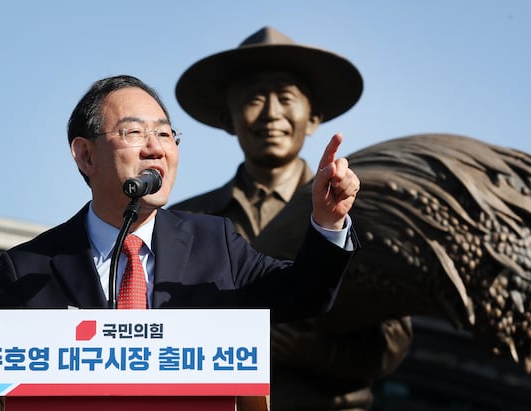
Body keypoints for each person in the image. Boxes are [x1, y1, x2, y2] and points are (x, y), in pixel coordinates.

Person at [0, 74, 360, 410]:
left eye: (164, 134)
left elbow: (305, 293)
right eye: (134, 133)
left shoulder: (215, 242)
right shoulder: (29, 268)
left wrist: (329, 221)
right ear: (86, 155)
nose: (156, 148)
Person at [170, 27, 412, 410]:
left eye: (286, 98)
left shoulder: (351, 214)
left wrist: (315, 352)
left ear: (313, 118)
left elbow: (394, 335)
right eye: (254, 99)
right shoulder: (184, 222)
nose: (271, 113)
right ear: (229, 119)